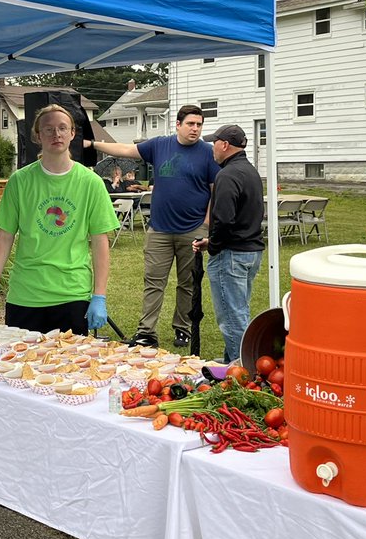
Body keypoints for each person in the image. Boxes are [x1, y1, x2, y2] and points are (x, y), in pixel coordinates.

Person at [0, 104, 118, 334]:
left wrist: (99, 295)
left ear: (72, 133)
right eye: (48, 129)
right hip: (25, 295)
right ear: (38, 136)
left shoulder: (91, 183)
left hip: (72, 294)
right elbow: (5, 235)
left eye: (62, 128)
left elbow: (100, 241)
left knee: (68, 358)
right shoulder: (20, 181)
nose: (56, 134)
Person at [85, 105, 218, 347]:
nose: (195, 129)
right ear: (178, 125)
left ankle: (183, 329)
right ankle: (147, 332)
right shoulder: (160, 146)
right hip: (159, 230)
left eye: (199, 124)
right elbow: (126, 149)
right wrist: (93, 144)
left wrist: (206, 223)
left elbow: (214, 190)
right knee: (154, 282)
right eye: (190, 124)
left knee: (188, 283)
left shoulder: (208, 153)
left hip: (193, 230)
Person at [192, 125, 265, 362]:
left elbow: (224, 219)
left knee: (232, 317)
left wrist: (214, 246)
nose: (212, 147)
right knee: (239, 309)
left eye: (214, 142)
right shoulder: (250, 171)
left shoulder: (227, 175)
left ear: (224, 145)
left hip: (231, 254)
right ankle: (231, 360)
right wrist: (211, 241)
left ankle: (241, 368)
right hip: (250, 251)